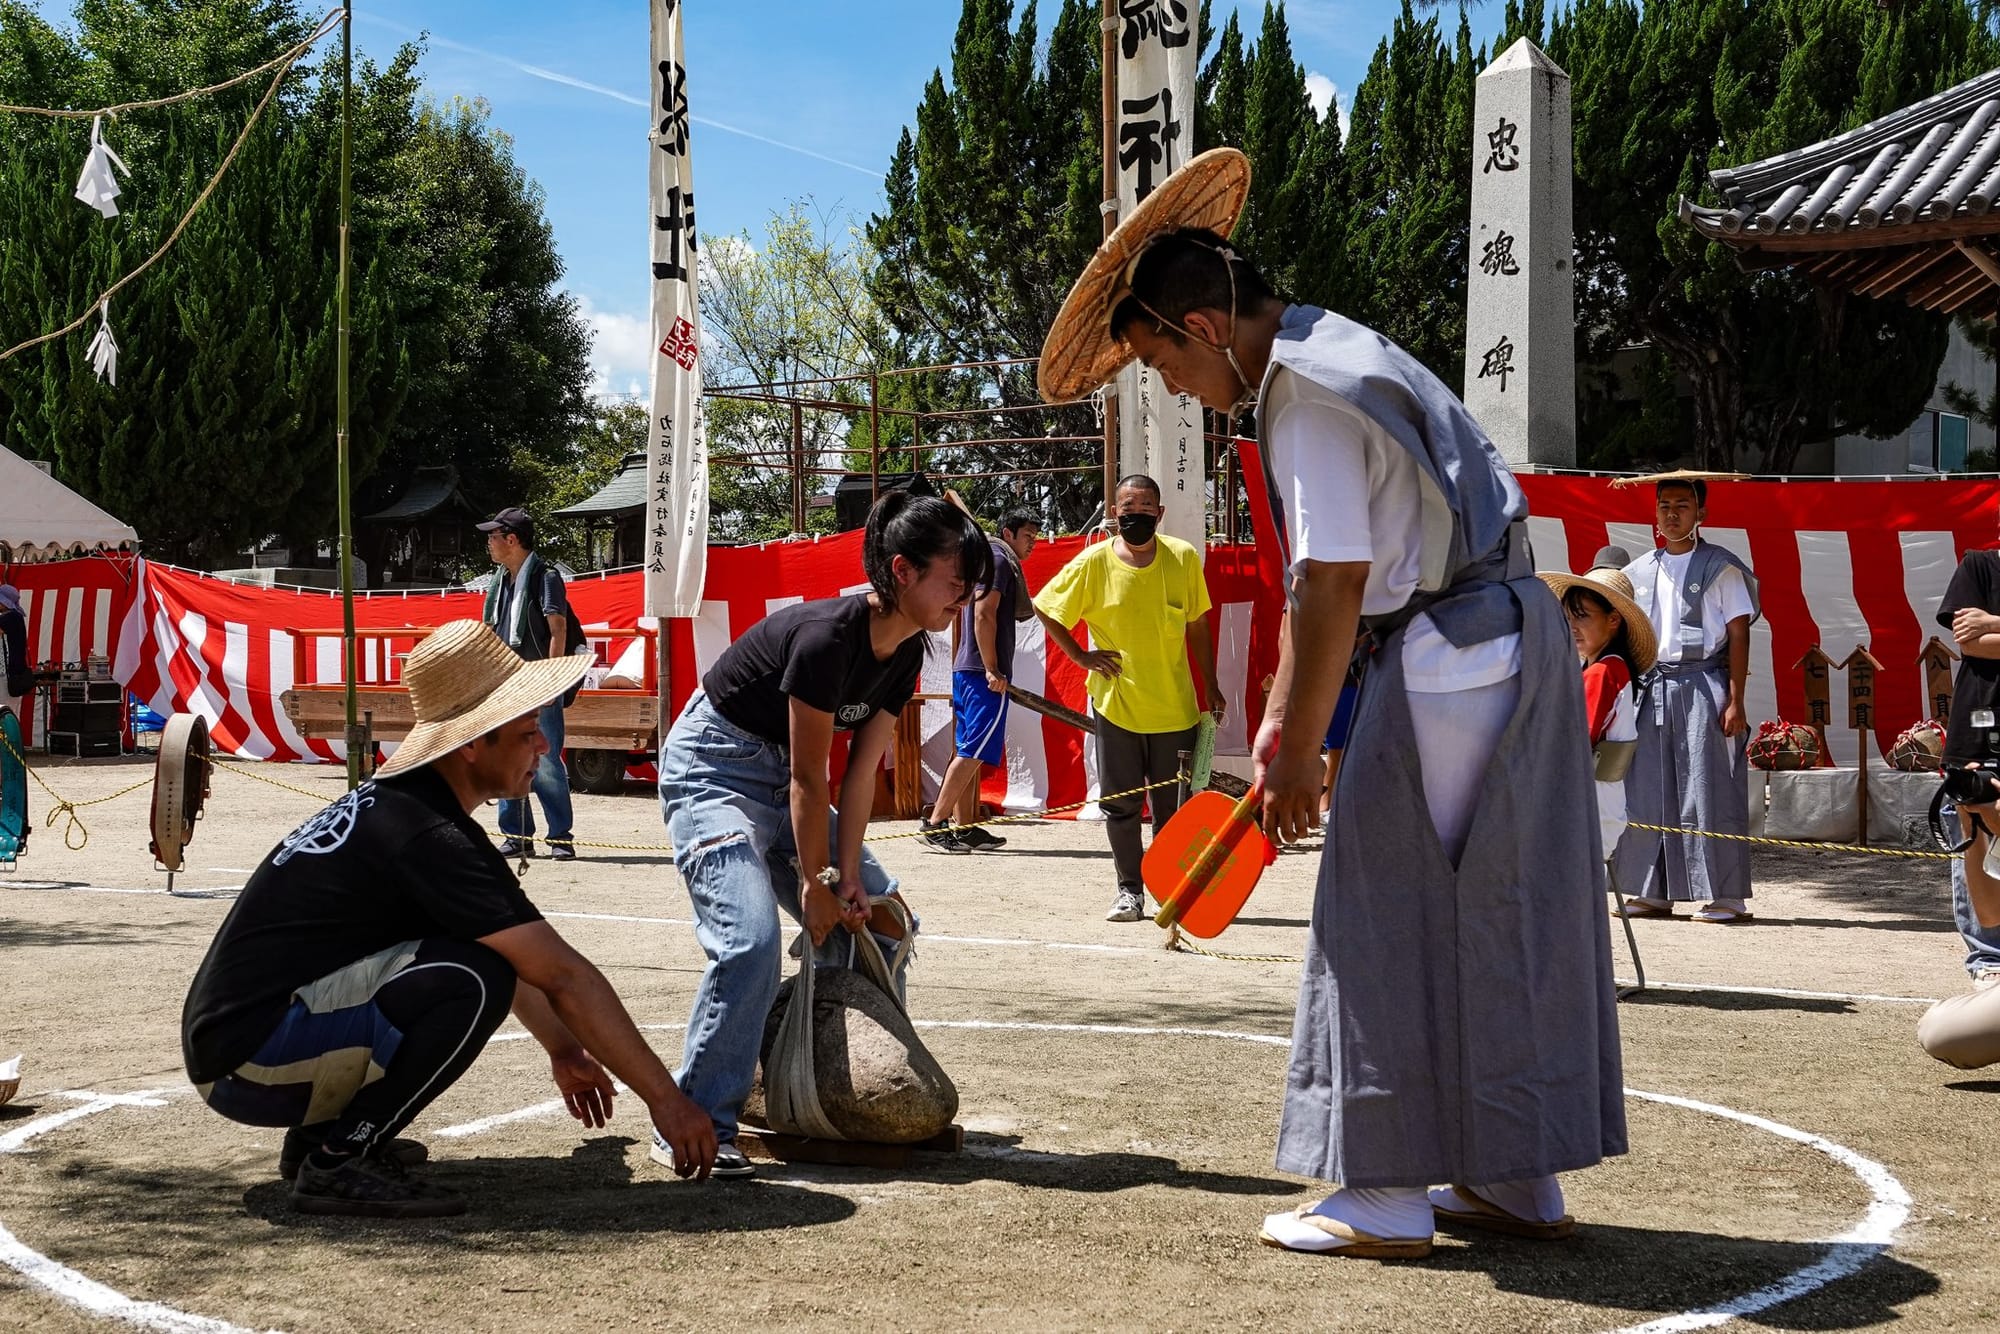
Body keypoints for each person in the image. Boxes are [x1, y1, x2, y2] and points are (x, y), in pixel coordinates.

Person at [1038, 147, 1623, 1257]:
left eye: (1158, 357)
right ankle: (1513, 1171)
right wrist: (1278, 717)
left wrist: (1294, 746)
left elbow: (1331, 579)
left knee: (1380, 905)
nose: (1167, 385)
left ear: (1203, 326)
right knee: (1494, 909)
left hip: (1447, 651)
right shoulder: (1344, 345)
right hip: (1514, 632)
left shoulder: (1296, 397)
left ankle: (1385, 1187)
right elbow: (1339, 579)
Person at [180, 620, 718, 1218]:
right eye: (525, 731)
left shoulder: (410, 808)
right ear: (472, 742)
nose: (543, 746)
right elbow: (564, 975)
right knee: (472, 977)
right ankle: (339, 1162)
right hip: (248, 1063)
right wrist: (667, 1102)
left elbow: (526, 962)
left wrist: (565, 1052)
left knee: (476, 961)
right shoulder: (426, 833)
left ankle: (322, 1142)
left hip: (238, 1047)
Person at [657, 491, 989, 1178]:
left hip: (784, 781)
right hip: (715, 771)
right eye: (954, 582)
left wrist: (850, 883)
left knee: (886, 922)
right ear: (903, 571)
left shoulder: (907, 652)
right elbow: (810, 777)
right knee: (748, 943)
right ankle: (695, 1122)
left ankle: (824, 1082)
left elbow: (858, 777)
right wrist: (819, 884)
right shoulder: (823, 638)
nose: (965, 596)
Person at [1033, 475, 1222, 922]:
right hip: (1116, 705)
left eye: (1146, 505)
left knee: (1171, 809)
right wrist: (1080, 655)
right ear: (1114, 512)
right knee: (1120, 804)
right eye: (1127, 505)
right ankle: (1129, 891)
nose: (1136, 513)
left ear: (1160, 513)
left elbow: (1197, 624)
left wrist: (1210, 684)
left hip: (1175, 705)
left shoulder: (1182, 557)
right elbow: (1045, 604)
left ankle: (1169, 890)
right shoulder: (1094, 561)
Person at [1612, 477, 1760, 922]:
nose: (1671, 514)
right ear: (1654, 514)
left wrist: (1736, 699)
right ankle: (1652, 891)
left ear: (1702, 514)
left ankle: (1726, 895)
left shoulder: (1722, 567)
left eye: (1682, 505)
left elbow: (1738, 634)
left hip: (1703, 684)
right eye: (1664, 506)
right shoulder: (1638, 571)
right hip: (1653, 687)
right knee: (1648, 787)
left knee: (1708, 787)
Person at [919, 507, 1042, 854]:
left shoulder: (986, 558)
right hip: (980, 673)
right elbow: (985, 614)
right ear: (1007, 533)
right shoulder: (999, 560)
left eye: (1035, 536)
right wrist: (992, 668)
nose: (1032, 543)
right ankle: (935, 823)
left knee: (968, 749)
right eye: (1027, 536)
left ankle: (965, 825)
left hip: (968, 669)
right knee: (972, 751)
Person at [1539, 549, 1656, 852]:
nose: (1572, 627)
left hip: (1582, 813)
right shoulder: (1609, 667)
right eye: (1567, 617)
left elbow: (1574, 742)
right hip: (1601, 807)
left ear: (1613, 619)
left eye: (1582, 616)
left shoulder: (1603, 672)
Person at [479, 506, 578, 860]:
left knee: (546, 759)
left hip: (538, 681)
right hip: (506, 682)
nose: (488, 543)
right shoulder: (501, 580)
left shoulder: (545, 576)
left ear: (511, 539)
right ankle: (517, 834)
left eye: (492, 536)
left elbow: (558, 628)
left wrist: (552, 680)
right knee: (506, 756)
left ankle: (560, 836)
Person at [1936, 545, 2000, 989]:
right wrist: (1986, 632)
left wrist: (1995, 623)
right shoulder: (1981, 564)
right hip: (1981, 725)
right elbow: (1970, 641)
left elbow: (1988, 636)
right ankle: (1988, 958)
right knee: (1976, 830)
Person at [0, 583, 28, 861]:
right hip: (10, 680)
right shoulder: (13, 618)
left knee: (6, 718)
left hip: (8, 681)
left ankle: (8, 757)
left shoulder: (11, 618)